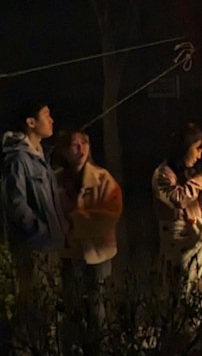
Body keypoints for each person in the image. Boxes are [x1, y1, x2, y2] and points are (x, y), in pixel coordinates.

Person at [1, 100, 67, 308]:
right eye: (46, 115)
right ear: (31, 122)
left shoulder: (39, 156)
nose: (51, 120)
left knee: (49, 306)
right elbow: (15, 203)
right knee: (36, 308)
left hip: (50, 245)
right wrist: (39, 230)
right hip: (34, 247)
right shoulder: (18, 160)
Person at [152, 124, 202, 297]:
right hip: (176, 238)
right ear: (184, 147)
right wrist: (201, 178)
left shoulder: (188, 173)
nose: (199, 156)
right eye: (197, 149)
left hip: (195, 230)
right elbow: (179, 199)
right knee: (182, 288)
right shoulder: (163, 174)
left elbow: (197, 209)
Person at [52, 129, 122, 295]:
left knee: (99, 305)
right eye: (74, 145)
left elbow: (112, 212)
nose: (81, 148)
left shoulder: (102, 178)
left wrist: (76, 220)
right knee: (73, 303)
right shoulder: (55, 180)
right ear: (64, 151)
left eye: (84, 143)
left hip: (98, 251)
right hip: (69, 252)